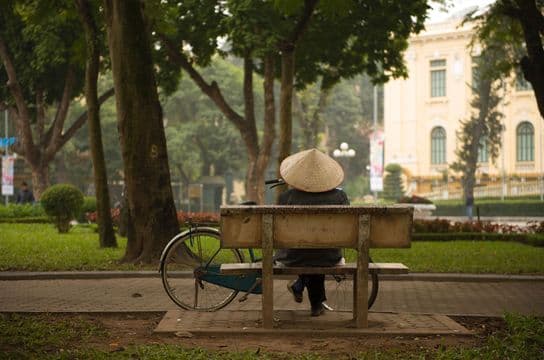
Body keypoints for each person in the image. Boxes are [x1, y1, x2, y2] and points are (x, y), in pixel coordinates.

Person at [274, 148, 349, 317]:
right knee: (318, 250)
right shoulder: (340, 197)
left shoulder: (286, 197)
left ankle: (301, 286)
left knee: (306, 250)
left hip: (293, 256)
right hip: (329, 255)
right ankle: (315, 303)